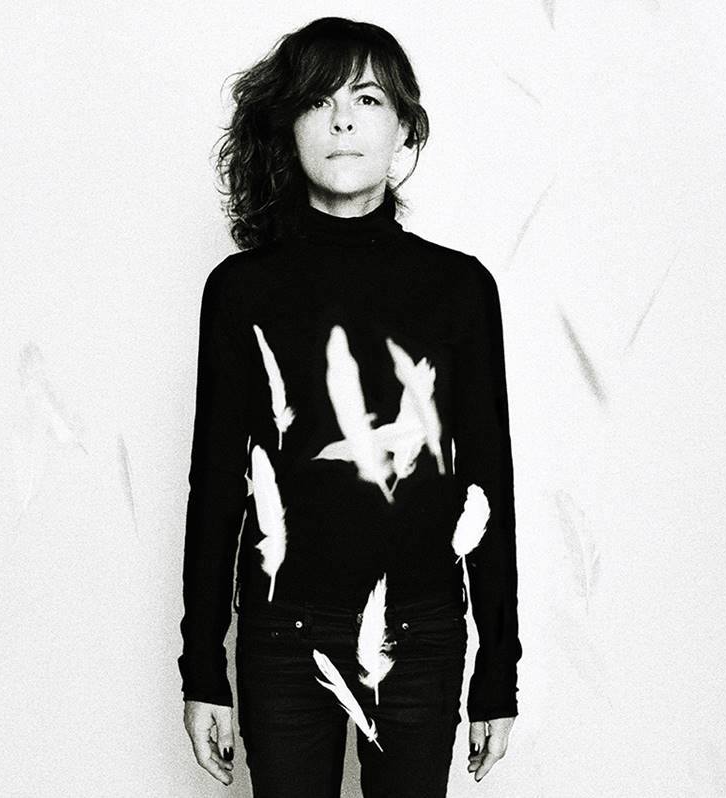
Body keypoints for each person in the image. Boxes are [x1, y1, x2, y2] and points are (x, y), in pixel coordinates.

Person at [178, 16, 522, 797]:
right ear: (288, 125)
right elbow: (216, 487)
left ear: (404, 127)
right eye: (318, 100)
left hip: (420, 638)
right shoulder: (241, 291)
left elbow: (488, 484)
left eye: (366, 98)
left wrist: (497, 671)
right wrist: (202, 670)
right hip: (283, 638)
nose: (342, 120)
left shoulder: (460, 289)